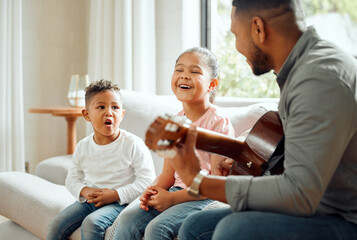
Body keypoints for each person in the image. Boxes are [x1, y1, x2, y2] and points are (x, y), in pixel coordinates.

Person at [168, 1, 357, 240]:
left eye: (236, 34)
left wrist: (199, 182)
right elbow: (294, 152)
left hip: (344, 217)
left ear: (258, 28)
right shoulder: (305, 66)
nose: (236, 46)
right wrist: (194, 138)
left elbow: (299, 194)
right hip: (320, 204)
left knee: (233, 230)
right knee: (195, 226)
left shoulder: (318, 81)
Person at [113, 47, 235, 240]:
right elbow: (168, 174)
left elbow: (215, 181)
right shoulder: (174, 122)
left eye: (194, 71)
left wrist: (171, 199)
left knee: (157, 229)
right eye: (179, 70)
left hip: (202, 196)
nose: (185, 76)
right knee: (128, 218)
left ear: (212, 84)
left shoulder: (218, 122)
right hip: (175, 190)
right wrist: (151, 191)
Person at [47, 79, 156, 240]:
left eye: (115, 107)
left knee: (92, 223)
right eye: (101, 107)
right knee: (56, 225)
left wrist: (115, 194)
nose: (109, 112)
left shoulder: (133, 144)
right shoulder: (83, 146)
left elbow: (148, 181)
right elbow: (72, 179)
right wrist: (85, 191)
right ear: (87, 115)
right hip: (90, 201)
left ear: (122, 114)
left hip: (120, 203)